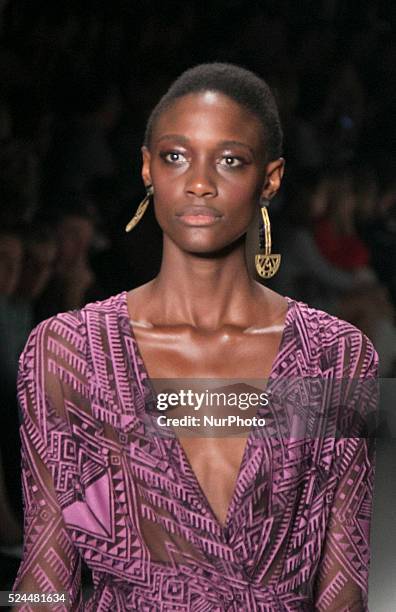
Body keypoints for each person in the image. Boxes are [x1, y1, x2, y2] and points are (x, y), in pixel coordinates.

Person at [13, 64, 378, 611]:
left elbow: (344, 582)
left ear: (271, 179)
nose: (199, 182)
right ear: (146, 168)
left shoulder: (336, 356)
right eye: (175, 156)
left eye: (229, 160)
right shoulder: (66, 351)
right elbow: (44, 574)